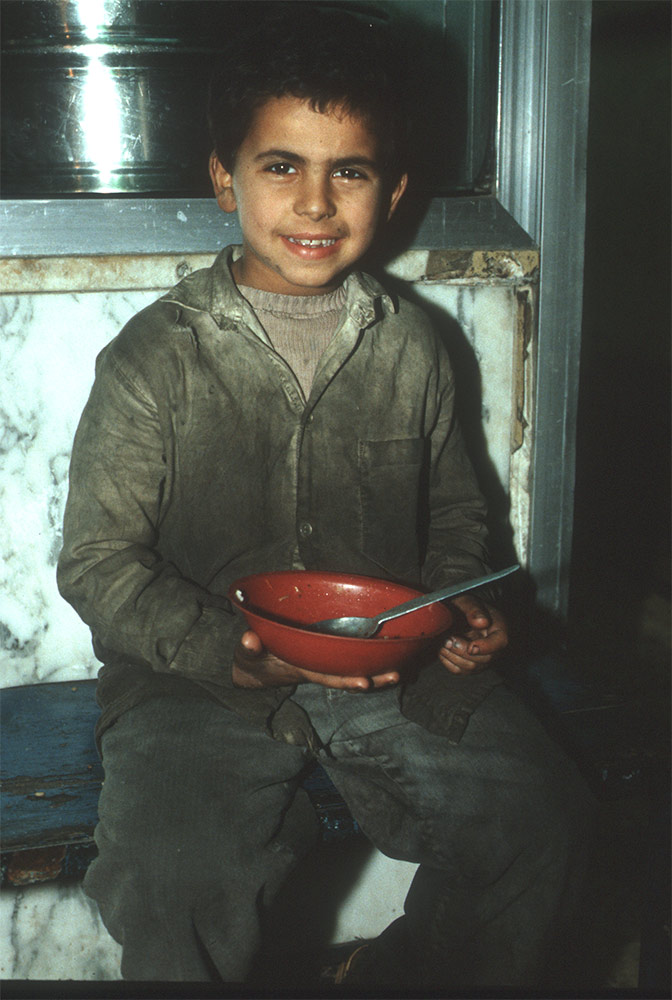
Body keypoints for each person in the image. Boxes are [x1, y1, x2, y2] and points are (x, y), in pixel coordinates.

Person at [57, 4, 593, 988]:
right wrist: (222, 646)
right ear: (224, 177)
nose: (314, 202)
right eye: (280, 165)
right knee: (169, 876)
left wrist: (463, 607)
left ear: (391, 190)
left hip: (397, 668)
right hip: (194, 682)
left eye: (348, 170)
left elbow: (464, 526)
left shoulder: (418, 345)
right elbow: (97, 562)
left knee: (539, 817)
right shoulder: (153, 358)